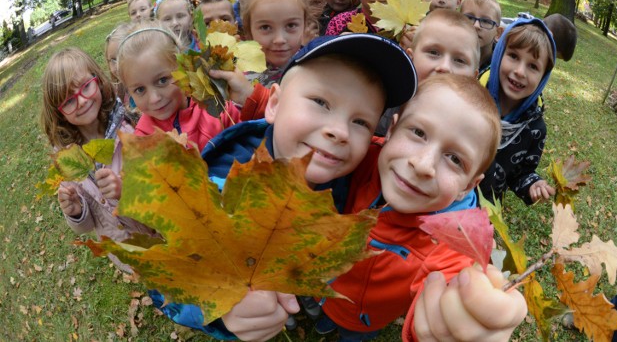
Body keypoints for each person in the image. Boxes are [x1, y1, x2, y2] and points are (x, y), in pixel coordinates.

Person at [150, 33, 418, 340]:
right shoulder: (217, 195)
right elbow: (170, 284)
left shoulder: (348, 171)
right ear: (274, 104)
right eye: (321, 102)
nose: (340, 131)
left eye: (361, 122)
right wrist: (222, 309)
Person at [315, 73, 506, 341]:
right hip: (321, 285)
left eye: (454, 159)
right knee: (323, 312)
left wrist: (456, 317)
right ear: (391, 130)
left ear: (469, 185)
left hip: (364, 320)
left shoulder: (453, 244)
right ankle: (324, 313)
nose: (423, 165)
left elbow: (448, 293)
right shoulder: (363, 156)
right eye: (418, 132)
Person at [40, 48, 156, 273]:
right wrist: (75, 211)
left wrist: (127, 190)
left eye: (86, 87)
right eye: (69, 101)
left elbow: (162, 186)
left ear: (98, 80)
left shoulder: (130, 127)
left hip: (162, 231)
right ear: (59, 112)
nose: (82, 101)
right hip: (129, 253)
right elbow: (87, 226)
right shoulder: (68, 160)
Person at [116, 21, 240, 152]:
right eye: (140, 89)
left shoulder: (216, 105)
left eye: (162, 80)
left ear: (183, 67)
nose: (154, 99)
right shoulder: (143, 142)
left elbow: (252, 133)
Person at [478, 17, 557, 205]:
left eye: (533, 66)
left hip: (485, 208)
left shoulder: (535, 129)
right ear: (499, 54)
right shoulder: (471, 94)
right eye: (513, 56)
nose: (520, 71)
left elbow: (521, 173)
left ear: (543, 77)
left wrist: (532, 184)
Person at [375, 9, 481, 136]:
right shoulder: (382, 111)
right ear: (410, 58)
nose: (445, 67)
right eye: (433, 52)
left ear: (474, 79)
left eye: (459, 60)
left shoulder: (471, 132)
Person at [240, 0, 310, 87]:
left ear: (305, 26)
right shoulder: (240, 78)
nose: (279, 39)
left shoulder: (316, 68)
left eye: (291, 25)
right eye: (265, 27)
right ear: (249, 31)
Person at [459, 0, 504, 71]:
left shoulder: (501, 68)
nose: (476, 26)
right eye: (469, 17)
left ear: (498, 33)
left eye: (485, 21)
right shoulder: (446, 57)